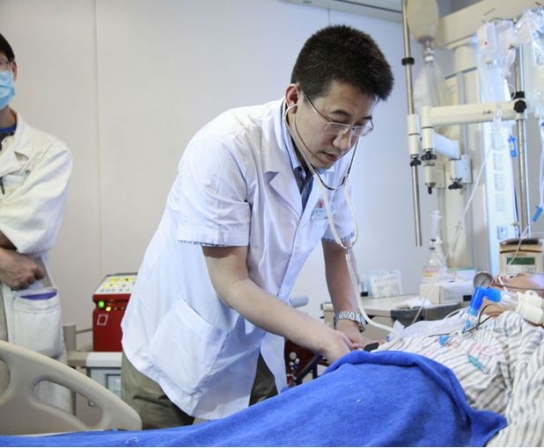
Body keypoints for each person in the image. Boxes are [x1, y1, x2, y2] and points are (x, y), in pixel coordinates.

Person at [120, 24, 394, 428]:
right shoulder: (226, 147)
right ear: (294, 97)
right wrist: (322, 337)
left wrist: (348, 321)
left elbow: (338, 245)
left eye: (360, 126)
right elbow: (232, 283)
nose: (345, 142)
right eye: (337, 121)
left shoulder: (333, 157)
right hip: (173, 351)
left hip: (255, 347)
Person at [0, 33, 73, 409]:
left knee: (38, 426)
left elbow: (26, 230)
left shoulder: (49, 152)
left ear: (12, 69)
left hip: (25, 315)